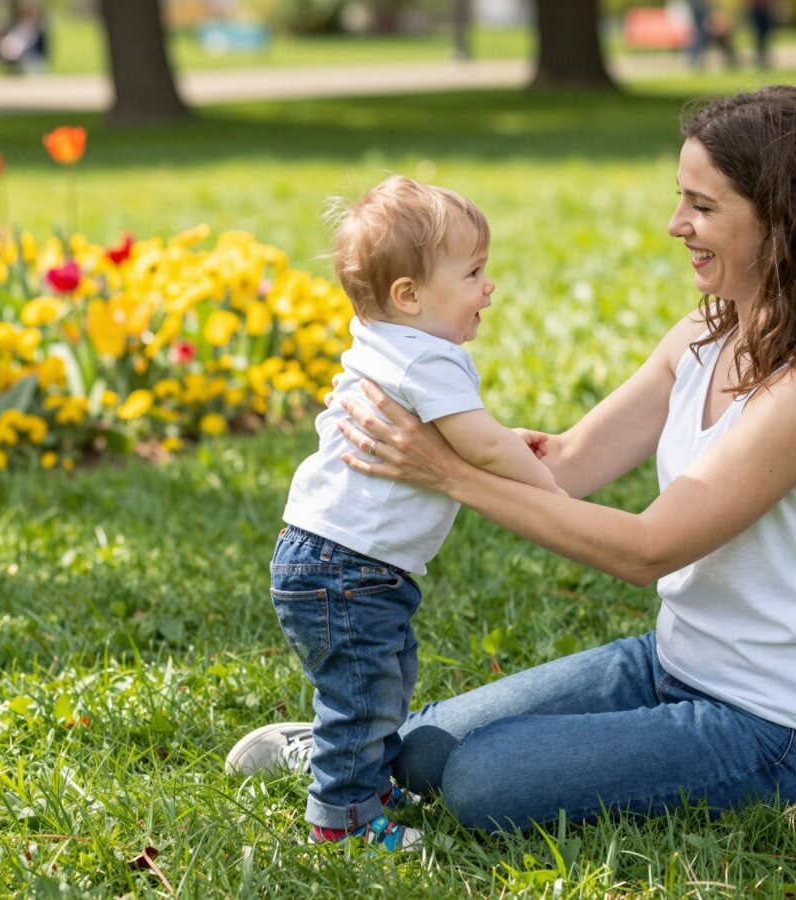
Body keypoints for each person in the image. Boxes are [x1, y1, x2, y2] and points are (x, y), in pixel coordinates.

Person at [228, 86, 796, 839]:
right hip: (668, 665)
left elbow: (648, 550)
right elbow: (571, 462)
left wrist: (451, 474)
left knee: (479, 782)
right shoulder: (704, 333)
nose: (676, 224)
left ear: (780, 216)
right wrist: (467, 438)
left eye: (703, 205)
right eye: (679, 198)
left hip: (776, 729)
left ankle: (360, 765)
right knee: (427, 752)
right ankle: (351, 755)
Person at [226, 176, 562, 853]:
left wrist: (499, 438)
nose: (488, 286)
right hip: (350, 567)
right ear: (408, 296)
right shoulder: (430, 357)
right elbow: (481, 445)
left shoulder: (385, 343)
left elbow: (460, 434)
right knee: (364, 696)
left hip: (330, 559)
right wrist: (548, 490)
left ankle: (367, 783)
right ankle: (343, 820)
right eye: (472, 273)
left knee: (385, 678)